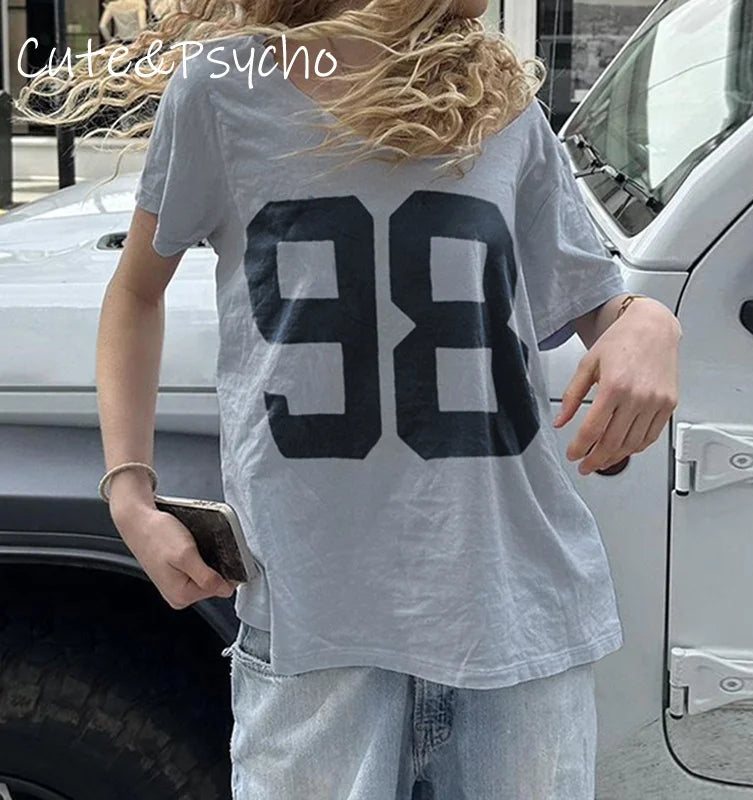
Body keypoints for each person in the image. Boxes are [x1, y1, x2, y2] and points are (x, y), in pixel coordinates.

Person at [18, 0, 681, 796]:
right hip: (314, 633)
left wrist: (647, 322)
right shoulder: (225, 88)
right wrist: (129, 494)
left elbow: (595, 301)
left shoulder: (500, 101)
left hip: (515, 622)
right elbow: (135, 292)